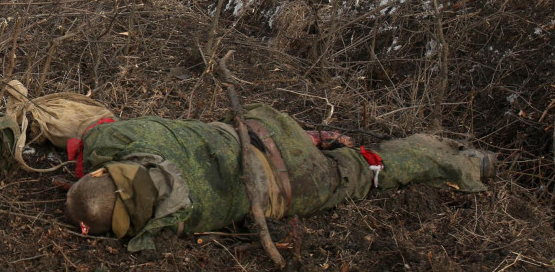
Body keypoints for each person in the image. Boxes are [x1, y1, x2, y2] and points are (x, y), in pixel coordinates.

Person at [64, 104, 496, 252]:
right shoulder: (116, 140)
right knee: (236, 134)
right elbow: (97, 129)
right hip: (263, 129)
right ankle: (316, 138)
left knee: (368, 170)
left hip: (297, 185)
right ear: (101, 170)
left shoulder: (163, 228)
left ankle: (469, 163)